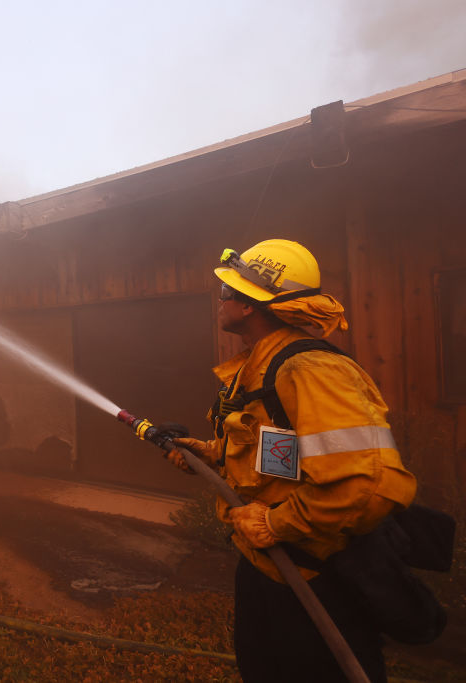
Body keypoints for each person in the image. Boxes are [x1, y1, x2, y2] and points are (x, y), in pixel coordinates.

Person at [165, 239, 417, 682]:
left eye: (227, 292)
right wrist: (208, 454)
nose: (219, 301)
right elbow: (277, 450)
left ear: (250, 306)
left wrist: (277, 525)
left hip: (314, 578)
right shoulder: (259, 367)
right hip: (266, 568)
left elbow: (365, 485)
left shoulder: (310, 370)